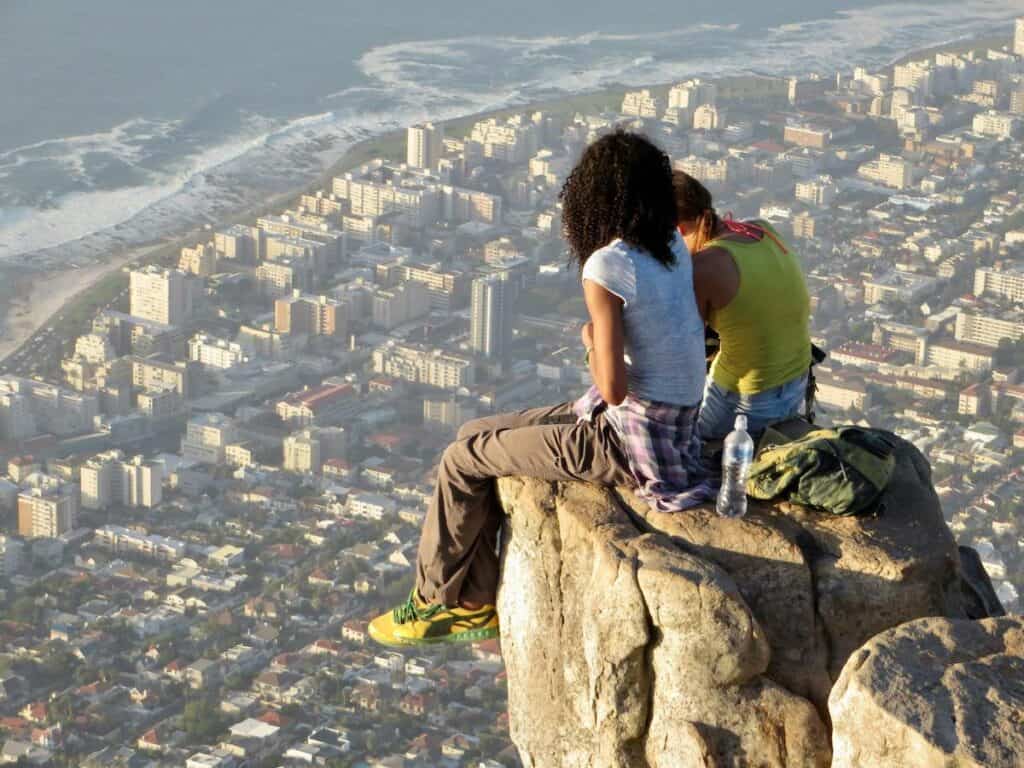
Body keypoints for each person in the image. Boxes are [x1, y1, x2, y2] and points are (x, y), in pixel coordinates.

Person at [368, 130, 710, 648]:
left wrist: (590, 340)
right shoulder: (670, 246)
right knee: (472, 433)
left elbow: (613, 387)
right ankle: (474, 599)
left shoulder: (608, 265)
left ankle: (441, 602)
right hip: (675, 422)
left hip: (628, 439)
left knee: (462, 461)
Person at [672, 171, 812, 441]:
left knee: (688, 445)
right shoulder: (761, 228)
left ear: (677, 230)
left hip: (745, 401)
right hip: (796, 383)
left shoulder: (704, 267)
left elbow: (685, 352)